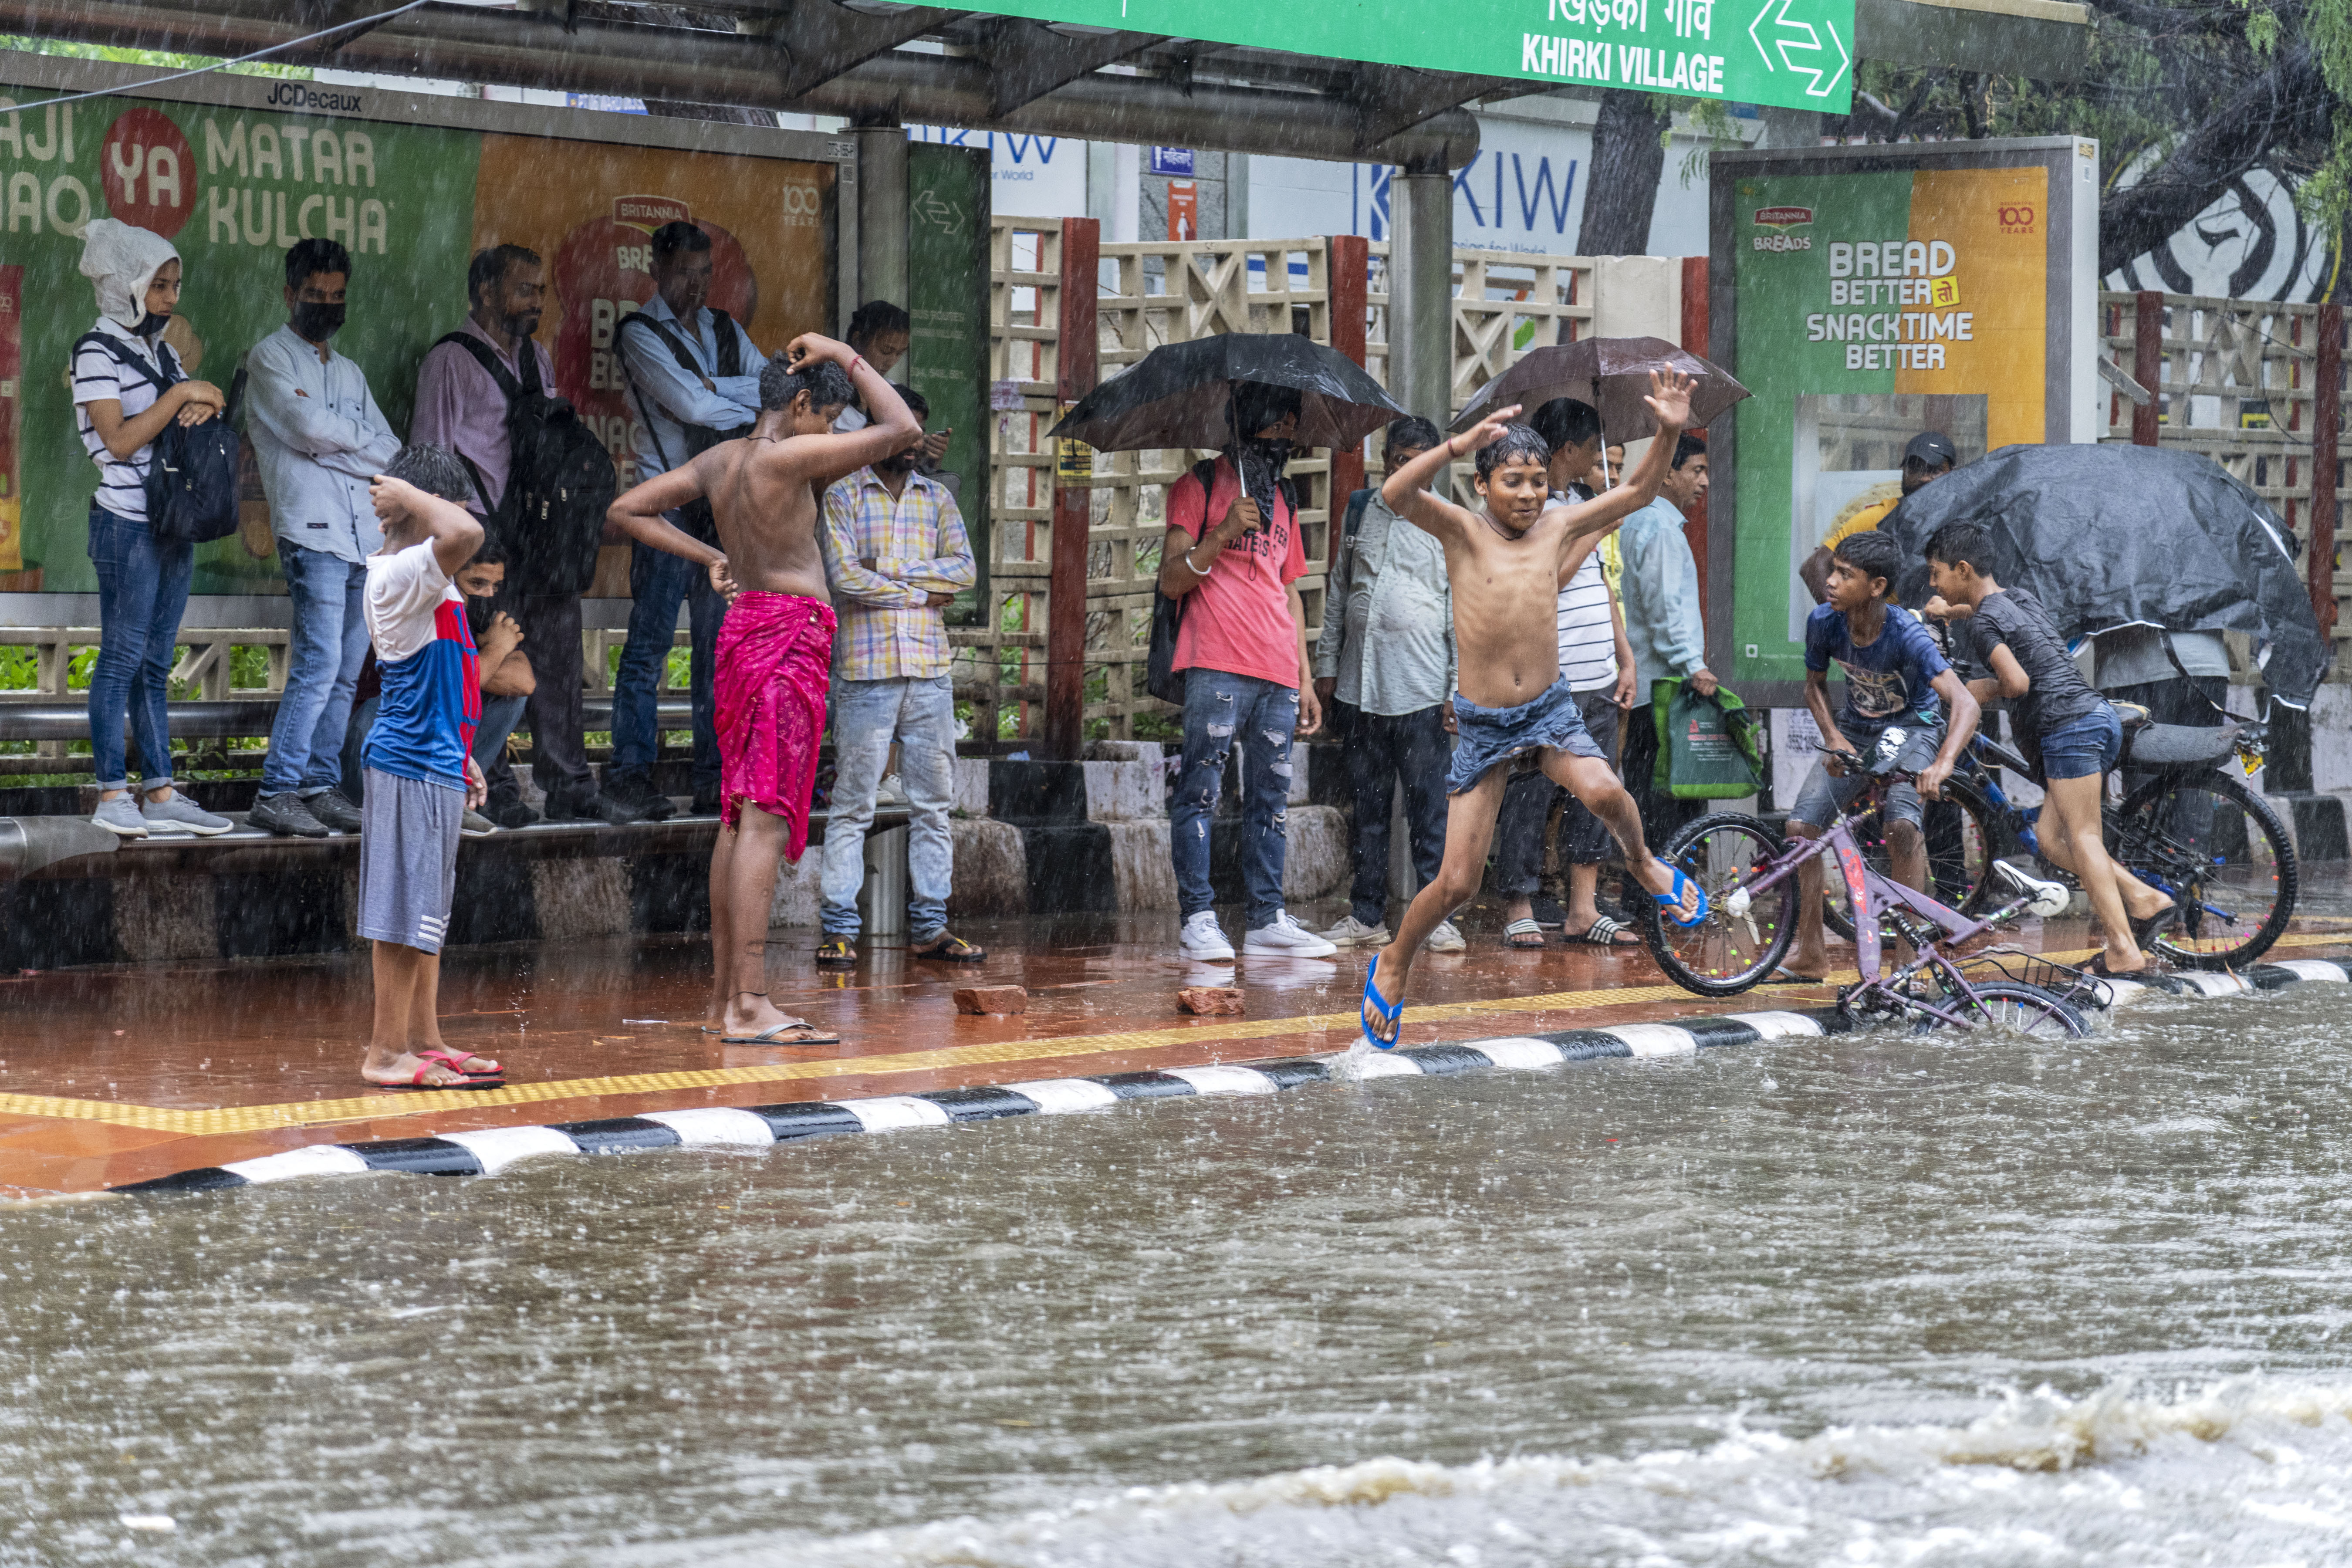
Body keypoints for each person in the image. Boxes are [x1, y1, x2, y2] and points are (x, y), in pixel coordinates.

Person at [1362, 380, 1710, 1048]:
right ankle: (1396, 959)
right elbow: (1395, 496)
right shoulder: (1461, 531)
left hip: (1549, 712)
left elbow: (1636, 494)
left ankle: (1641, 863)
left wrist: (1668, 430)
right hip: (1486, 726)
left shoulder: (1557, 524)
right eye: (1512, 482)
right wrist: (1459, 443)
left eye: (1536, 482)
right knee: (1458, 884)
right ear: (1483, 485)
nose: (1527, 495)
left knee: (1608, 791)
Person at [606, 335, 919, 1044]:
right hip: (788, 634)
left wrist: (711, 553)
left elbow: (627, 509)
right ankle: (750, 1004)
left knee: (738, 813)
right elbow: (903, 429)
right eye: (831, 420)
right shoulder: (788, 455)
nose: (834, 437)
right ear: (803, 403)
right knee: (767, 819)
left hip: (742, 629)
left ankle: (725, 1001)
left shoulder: (722, 459)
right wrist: (847, 351)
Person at [413, 243, 642, 826]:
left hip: (542, 532)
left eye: (541, 291)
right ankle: (495, 787)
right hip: (485, 537)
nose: (536, 301)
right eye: (524, 290)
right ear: (487, 292)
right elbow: (431, 457)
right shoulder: (450, 359)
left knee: (560, 658)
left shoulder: (538, 358)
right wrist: (454, 546)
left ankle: (569, 784)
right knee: (490, 657)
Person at [1925, 521, 2176, 977]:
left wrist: (1975, 689)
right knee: (2052, 841)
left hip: (2069, 726)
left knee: (2083, 838)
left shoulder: (1984, 624)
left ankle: (2123, 950)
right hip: (2093, 716)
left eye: (1936, 573)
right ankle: (2144, 898)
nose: (1932, 583)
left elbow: (2017, 682)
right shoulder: (2016, 598)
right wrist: (1952, 611)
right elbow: (1997, 619)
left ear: (1962, 569)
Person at [1157, 382, 1335, 962]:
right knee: (1201, 792)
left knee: (1272, 799)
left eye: (1292, 426)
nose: (1286, 436)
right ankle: (1199, 917)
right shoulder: (1200, 484)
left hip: (1279, 671)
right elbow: (1172, 580)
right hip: (1216, 663)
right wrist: (1223, 533)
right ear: (1247, 423)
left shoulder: (1284, 495)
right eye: (1277, 424)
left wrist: (1305, 679)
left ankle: (1266, 919)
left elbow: (1291, 593)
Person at [70, 220, 233, 839]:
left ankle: (160, 790)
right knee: (120, 659)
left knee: (155, 662)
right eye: (159, 286)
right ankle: (113, 790)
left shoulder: (159, 350)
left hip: (170, 525)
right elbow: (116, 441)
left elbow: (204, 395)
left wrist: (204, 395)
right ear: (125, 287)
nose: (170, 299)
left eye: (175, 285)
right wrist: (180, 395)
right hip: (125, 526)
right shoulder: (94, 350)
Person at [814, 387, 984, 968]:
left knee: (934, 804)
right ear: (880, 433)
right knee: (853, 803)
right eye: (905, 430)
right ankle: (838, 927)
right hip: (866, 674)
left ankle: (932, 926)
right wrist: (921, 592)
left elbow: (965, 573)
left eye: (918, 430)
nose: (914, 441)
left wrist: (889, 574)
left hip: (930, 674)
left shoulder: (937, 499)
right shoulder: (841, 496)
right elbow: (844, 579)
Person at [247, 237, 405, 840]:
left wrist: (340, 447)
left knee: (345, 669)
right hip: (311, 533)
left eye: (337, 296)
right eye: (316, 295)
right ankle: (277, 789)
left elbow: (390, 452)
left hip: (363, 534)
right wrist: (352, 446)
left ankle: (317, 783)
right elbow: (305, 428)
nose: (327, 305)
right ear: (290, 295)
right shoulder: (269, 359)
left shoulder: (348, 372)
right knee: (320, 662)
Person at [356, 445, 502, 1090]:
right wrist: (410, 496)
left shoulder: (425, 574)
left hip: (435, 759)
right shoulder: (400, 573)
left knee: (427, 917)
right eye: (443, 506)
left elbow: (441, 682)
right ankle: (385, 1052)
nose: (459, 526)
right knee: (400, 914)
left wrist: (462, 751)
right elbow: (466, 531)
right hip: (407, 763)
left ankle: (424, 1039)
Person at [606, 221, 762, 821]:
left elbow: (774, 387)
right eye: (683, 274)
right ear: (657, 270)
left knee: (715, 648)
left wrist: (719, 385)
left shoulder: (726, 328)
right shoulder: (638, 332)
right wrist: (737, 395)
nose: (695, 286)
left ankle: (712, 779)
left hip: (721, 505)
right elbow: (691, 406)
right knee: (648, 645)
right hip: (665, 500)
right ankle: (629, 774)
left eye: (703, 274)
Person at [1784, 530, 1982, 980]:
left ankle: (1907, 963)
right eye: (1833, 570)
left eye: (1845, 575)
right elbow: (1813, 687)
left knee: (1899, 827)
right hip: (1855, 729)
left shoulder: (1905, 633)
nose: (1831, 581)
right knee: (1800, 830)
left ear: (1876, 586)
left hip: (1912, 728)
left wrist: (1943, 763)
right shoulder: (1824, 622)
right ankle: (1812, 950)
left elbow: (1965, 703)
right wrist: (1833, 736)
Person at [1492, 397, 1641, 950]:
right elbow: (1547, 580)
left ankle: (1583, 908)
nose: (1597, 462)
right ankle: (1519, 903)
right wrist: (1596, 531)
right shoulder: (1527, 510)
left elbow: (1601, 587)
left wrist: (1624, 658)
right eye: (1592, 449)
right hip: (1545, 679)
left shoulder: (1582, 501)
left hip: (1596, 674)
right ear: (1570, 449)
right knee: (1530, 791)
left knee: (1595, 794)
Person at [1311, 416, 1462, 955]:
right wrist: (1326, 665)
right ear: (1387, 462)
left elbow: (1458, 610)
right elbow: (1338, 590)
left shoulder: (1449, 521)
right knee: (1368, 810)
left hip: (1423, 690)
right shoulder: (1360, 509)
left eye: (1419, 462)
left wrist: (1456, 687)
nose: (1408, 471)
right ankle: (1366, 915)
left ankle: (1436, 918)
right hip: (1359, 686)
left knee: (1429, 811)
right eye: (1400, 461)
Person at [343, 537, 533, 838]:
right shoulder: (426, 601)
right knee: (377, 710)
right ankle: (366, 805)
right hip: (379, 745)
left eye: (495, 586)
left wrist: (484, 659)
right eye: (478, 583)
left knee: (509, 700)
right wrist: (496, 650)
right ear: (451, 574)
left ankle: (451, 797)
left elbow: (524, 681)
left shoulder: (482, 609)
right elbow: (449, 683)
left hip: (432, 742)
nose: (488, 594)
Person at [1615, 433, 1715, 847]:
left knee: (1648, 795)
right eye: (1697, 470)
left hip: (1644, 689)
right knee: (1669, 804)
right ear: (1669, 473)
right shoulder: (1659, 528)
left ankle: (1653, 897)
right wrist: (1695, 665)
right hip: (1663, 688)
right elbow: (1666, 612)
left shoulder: (1639, 519)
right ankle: (1667, 898)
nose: (1705, 481)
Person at [1798, 430, 1955, 603]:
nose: (1924, 478)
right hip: (1888, 627)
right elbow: (1814, 567)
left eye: (1935, 470)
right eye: (1916, 468)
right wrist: (1838, 621)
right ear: (1904, 472)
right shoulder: (1880, 517)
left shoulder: (1964, 517)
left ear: (1954, 474)